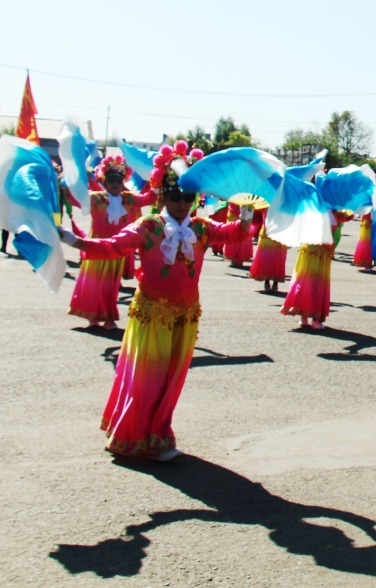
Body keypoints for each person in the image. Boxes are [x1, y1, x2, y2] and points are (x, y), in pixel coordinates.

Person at [60, 141, 253, 461]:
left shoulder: (201, 228)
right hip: (152, 315)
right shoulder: (149, 226)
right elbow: (110, 247)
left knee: (170, 382)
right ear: (162, 195)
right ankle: (140, 437)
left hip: (186, 316)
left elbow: (233, 235)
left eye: (188, 197)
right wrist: (74, 240)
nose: (182, 203)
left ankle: (156, 432)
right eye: (175, 196)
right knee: (148, 380)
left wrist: (245, 219)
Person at [68, 155, 158, 328]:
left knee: (112, 285)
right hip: (96, 248)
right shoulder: (95, 198)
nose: (115, 184)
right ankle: (93, 317)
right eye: (111, 180)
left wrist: (157, 186)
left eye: (118, 180)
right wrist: (68, 183)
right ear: (104, 181)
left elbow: (148, 199)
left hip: (116, 248)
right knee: (94, 283)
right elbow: (75, 200)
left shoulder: (128, 199)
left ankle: (108, 318)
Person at [281, 209, 353, 328]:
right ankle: (305, 316)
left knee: (317, 284)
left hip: (322, 252)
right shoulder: (312, 206)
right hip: (311, 249)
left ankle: (314, 318)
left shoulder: (334, 210)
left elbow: (347, 216)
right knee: (307, 281)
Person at [248, 210, 287, 294]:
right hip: (267, 231)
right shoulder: (264, 203)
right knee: (266, 258)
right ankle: (267, 281)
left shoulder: (285, 200)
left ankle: (275, 282)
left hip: (280, 232)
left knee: (278, 258)